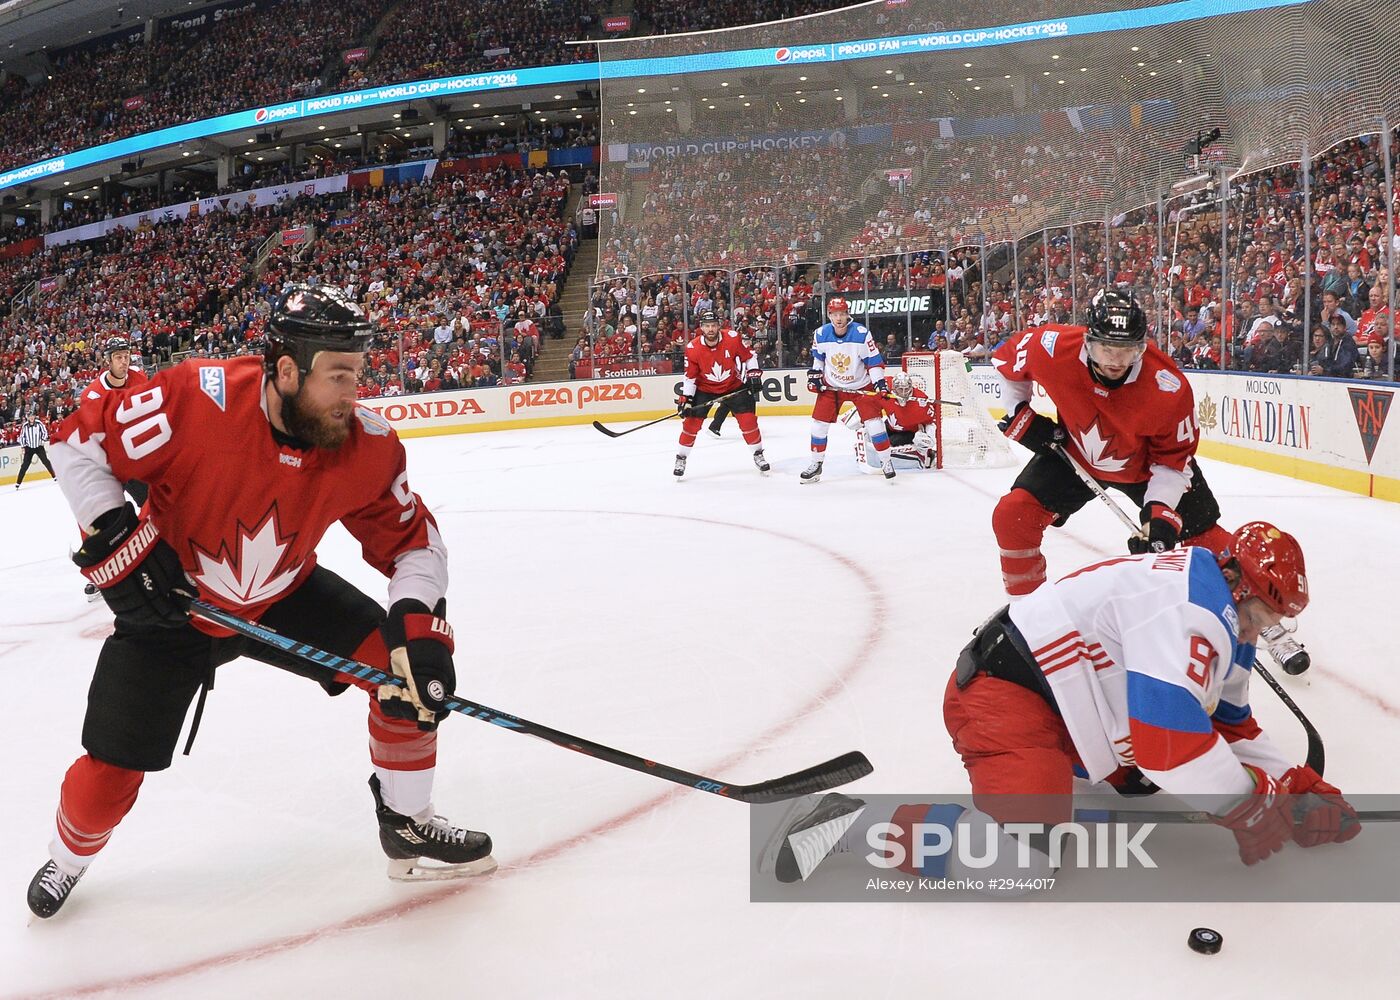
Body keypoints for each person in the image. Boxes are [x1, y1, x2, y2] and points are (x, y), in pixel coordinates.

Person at [27, 286, 494, 920]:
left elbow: (415, 543)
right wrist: (116, 534)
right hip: (174, 606)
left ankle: (407, 821)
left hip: (284, 592)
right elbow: (77, 442)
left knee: (401, 673)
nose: (353, 393)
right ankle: (68, 857)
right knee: (109, 773)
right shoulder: (198, 398)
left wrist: (418, 622)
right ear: (287, 370)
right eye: (338, 376)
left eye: (357, 374)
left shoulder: (366, 444)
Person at [762, 524, 1360, 885]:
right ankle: (844, 822)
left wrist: (1294, 782)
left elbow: (1230, 724)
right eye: (1259, 616)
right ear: (1237, 585)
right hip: (1004, 697)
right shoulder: (1196, 610)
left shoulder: (1222, 611)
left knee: (1145, 777)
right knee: (1019, 864)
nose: (1258, 633)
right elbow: (1169, 751)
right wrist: (1252, 804)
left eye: (1270, 623)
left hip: (1059, 696)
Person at [990, 288, 1308, 674]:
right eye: (1106, 348)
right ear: (1088, 341)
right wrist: (1020, 413)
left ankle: (1266, 619)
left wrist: (1160, 517)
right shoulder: (1051, 346)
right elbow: (1006, 363)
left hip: (1147, 467)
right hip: (1075, 453)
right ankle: (1029, 617)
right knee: (1013, 516)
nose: (1115, 360)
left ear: (1141, 347)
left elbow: (1172, 463)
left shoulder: (1168, 386)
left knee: (1208, 540)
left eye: (1126, 351)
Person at [78, 335, 152, 600]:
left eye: (126, 356)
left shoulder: (139, 378)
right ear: (107, 361)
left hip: (132, 458)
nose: (124, 361)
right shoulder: (92, 395)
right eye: (118, 357)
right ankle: (99, 571)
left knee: (158, 501)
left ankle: (158, 555)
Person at [801, 297, 893, 483]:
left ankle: (886, 461)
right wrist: (816, 375)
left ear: (848, 314)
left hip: (861, 385)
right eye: (835, 314)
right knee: (818, 425)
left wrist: (879, 383)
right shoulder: (821, 334)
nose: (839, 318)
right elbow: (818, 359)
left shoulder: (861, 334)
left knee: (874, 424)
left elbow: (873, 362)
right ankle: (816, 463)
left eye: (842, 314)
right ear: (829, 315)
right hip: (832, 386)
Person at [673, 311, 767, 478]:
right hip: (704, 389)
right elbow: (690, 377)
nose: (710, 329)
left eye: (713, 325)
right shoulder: (693, 348)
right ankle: (681, 457)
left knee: (749, 421)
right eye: (707, 326)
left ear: (718, 326)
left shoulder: (732, 338)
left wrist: (753, 374)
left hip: (733, 386)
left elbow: (749, 356)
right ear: (701, 328)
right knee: (690, 424)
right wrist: (686, 399)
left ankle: (758, 454)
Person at [849, 371, 936, 469]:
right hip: (891, 425)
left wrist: (930, 436)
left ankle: (927, 455)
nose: (903, 393)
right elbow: (871, 392)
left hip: (909, 432)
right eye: (900, 389)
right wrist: (862, 414)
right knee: (875, 433)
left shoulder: (921, 402)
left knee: (886, 444)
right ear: (894, 388)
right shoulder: (886, 390)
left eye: (906, 389)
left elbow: (932, 420)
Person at [14, 413, 56, 488]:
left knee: (46, 461)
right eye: (30, 416)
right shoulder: (25, 425)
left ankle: (54, 476)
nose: (31, 417)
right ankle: (18, 482)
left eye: (32, 416)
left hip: (38, 447)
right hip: (29, 448)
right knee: (24, 465)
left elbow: (44, 432)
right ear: (28, 417)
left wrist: (42, 440)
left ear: (34, 417)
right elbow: (22, 436)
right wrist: (23, 446)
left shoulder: (39, 423)